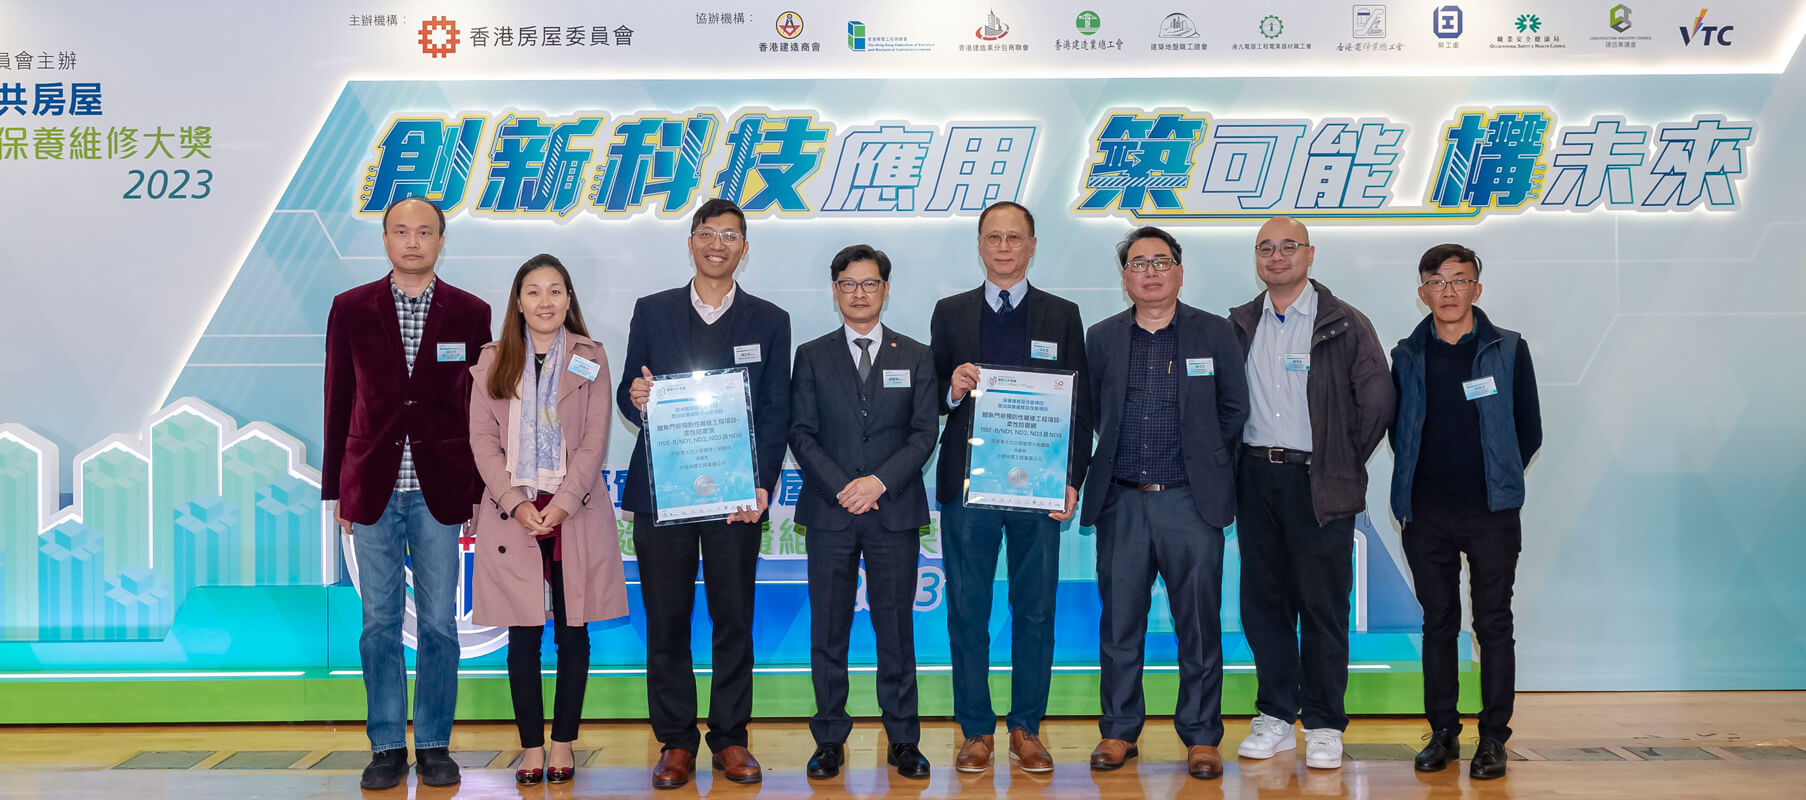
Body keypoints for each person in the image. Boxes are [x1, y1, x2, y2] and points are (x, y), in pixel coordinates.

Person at [617, 198, 791, 790]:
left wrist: (760, 484)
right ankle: (675, 741)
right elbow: (627, 392)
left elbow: (774, 412)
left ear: (744, 248)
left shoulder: (770, 319)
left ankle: (731, 737)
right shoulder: (652, 310)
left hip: (736, 497)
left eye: (731, 236)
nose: (718, 244)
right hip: (663, 494)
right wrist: (637, 398)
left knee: (733, 618)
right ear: (690, 242)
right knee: (666, 619)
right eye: (708, 234)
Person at [322, 196, 491, 790]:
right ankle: (388, 744)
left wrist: (474, 488)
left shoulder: (471, 313)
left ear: (442, 242)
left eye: (425, 232)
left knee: (441, 624)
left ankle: (436, 744)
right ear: (386, 240)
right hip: (372, 487)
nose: (413, 241)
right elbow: (337, 400)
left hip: (440, 491)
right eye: (401, 231)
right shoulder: (351, 309)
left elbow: (480, 411)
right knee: (378, 624)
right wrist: (336, 488)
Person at [1081, 227, 1249, 781]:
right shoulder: (1102, 337)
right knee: (1119, 626)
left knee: (1198, 626)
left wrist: (1205, 467)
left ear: (1179, 270)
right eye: (1138, 263)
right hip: (1123, 503)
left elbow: (1233, 410)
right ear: (1124, 276)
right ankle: (1118, 731)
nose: (1150, 271)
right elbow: (1088, 414)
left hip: (1189, 503)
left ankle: (1201, 737)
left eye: (1161, 261)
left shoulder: (1215, 332)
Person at [928, 201, 1089, 774]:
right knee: (968, 610)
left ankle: (1026, 727)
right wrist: (951, 388)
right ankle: (975, 729)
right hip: (969, 488)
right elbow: (931, 400)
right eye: (993, 237)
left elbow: (1079, 405)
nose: (1003, 247)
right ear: (979, 244)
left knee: (1036, 608)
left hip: (1038, 489)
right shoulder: (950, 313)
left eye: (1014, 238)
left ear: (1032, 245)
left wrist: (1071, 479)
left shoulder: (1062, 315)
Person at [1228, 216, 1394, 770]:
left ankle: (1324, 722)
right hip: (1255, 479)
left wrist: (1338, 462)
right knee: (1263, 603)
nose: (1276, 257)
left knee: (1321, 606)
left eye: (1288, 247)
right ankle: (1275, 714)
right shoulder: (1240, 323)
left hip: (1317, 482)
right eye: (1265, 248)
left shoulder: (1345, 323)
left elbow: (1376, 403)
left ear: (1310, 254)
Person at [468, 254, 628, 786]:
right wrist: (518, 502)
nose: (544, 302)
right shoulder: (493, 362)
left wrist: (560, 502)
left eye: (555, 291)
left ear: (568, 300)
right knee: (523, 634)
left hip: (574, 509)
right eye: (533, 292)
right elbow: (483, 442)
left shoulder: (591, 358)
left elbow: (595, 440)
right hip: (511, 512)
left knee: (573, 632)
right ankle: (531, 747)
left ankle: (563, 743)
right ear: (518, 301)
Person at [1390, 243, 1541, 781]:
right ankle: (1444, 733)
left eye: (1459, 280)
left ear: (1477, 289)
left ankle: (1494, 738)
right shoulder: (1406, 355)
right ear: (1422, 291)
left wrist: (1495, 477)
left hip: (1491, 514)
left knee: (1493, 624)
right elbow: (1398, 428)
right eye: (1436, 280)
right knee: (1438, 625)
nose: (1447, 291)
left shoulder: (1508, 348)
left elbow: (1530, 428)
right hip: (1425, 514)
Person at [789, 245, 939, 781]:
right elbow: (801, 433)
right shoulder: (811, 354)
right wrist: (842, 488)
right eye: (849, 284)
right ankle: (829, 737)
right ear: (835, 290)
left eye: (869, 284)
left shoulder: (917, 354)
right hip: (831, 513)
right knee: (828, 630)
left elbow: (925, 433)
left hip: (893, 510)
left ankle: (904, 739)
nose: (859, 293)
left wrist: (876, 482)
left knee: (895, 629)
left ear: (886, 289)